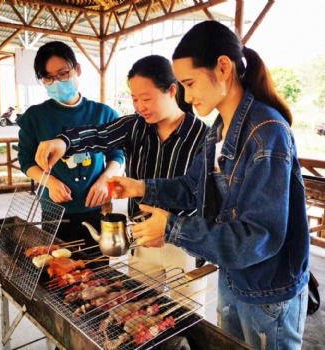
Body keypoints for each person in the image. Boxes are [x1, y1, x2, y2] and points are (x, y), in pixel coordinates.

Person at [100, 21, 309, 350]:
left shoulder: (266, 132)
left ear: (223, 68)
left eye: (189, 83)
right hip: (231, 276)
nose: (185, 95)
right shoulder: (218, 130)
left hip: (266, 290)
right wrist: (139, 187)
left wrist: (172, 229)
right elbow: (192, 186)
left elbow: (259, 236)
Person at [34, 55, 210, 304]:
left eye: (147, 99)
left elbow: (203, 196)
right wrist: (63, 141)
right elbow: (98, 134)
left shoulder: (202, 137)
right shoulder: (134, 127)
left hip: (184, 244)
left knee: (187, 317)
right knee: (140, 309)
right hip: (141, 237)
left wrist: (172, 228)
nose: (140, 106)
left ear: (172, 91)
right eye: (135, 99)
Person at [17, 41, 124, 252]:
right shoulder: (35, 117)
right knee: (58, 269)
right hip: (54, 209)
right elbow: (26, 160)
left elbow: (117, 155)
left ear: (78, 70)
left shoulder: (103, 113)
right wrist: (50, 183)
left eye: (63, 73)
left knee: (97, 271)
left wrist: (104, 181)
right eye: (48, 77)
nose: (56, 82)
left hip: (95, 204)